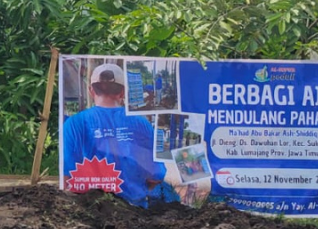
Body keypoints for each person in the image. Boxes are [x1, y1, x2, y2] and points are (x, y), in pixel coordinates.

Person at [61, 63, 210, 208]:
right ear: (123, 92)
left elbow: (66, 178)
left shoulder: (73, 124)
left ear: (90, 91)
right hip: (133, 212)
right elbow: (155, 176)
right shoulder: (141, 123)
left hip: (89, 212)